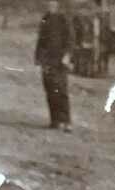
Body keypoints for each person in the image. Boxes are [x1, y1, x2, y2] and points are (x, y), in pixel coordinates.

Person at [35, 0, 74, 132]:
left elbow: (70, 39)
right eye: (48, 4)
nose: (50, 6)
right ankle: (55, 120)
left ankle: (66, 121)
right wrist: (39, 58)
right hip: (47, 61)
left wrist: (67, 55)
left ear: (57, 5)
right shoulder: (45, 19)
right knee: (50, 90)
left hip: (60, 60)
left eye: (52, 4)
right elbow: (41, 41)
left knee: (61, 90)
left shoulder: (64, 19)